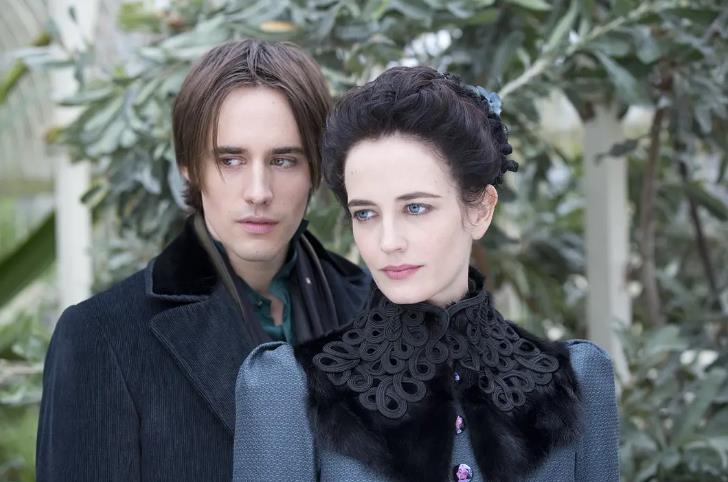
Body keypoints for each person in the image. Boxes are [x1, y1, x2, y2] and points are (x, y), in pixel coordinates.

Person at [233, 66, 620, 482]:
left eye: (415, 208)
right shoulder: (286, 388)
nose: (388, 241)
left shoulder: (577, 380)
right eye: (365, 213)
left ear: (480, 209)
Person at [36, 39, 369, 482]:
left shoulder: (378, 308)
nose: (258, 191)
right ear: (190, 166)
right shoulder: (100, 337)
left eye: (283, 160)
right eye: (231, 159)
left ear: (316, 170)